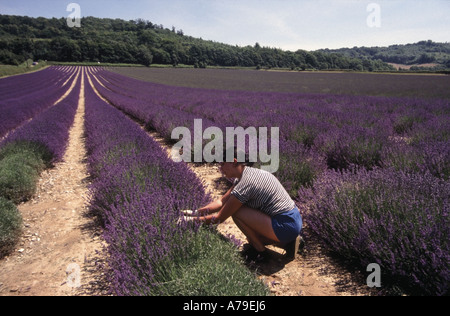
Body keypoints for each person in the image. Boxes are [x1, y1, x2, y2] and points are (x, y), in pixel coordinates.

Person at [182, 148, 303, 262]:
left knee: (237, 211)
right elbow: (221, 202)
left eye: (223, 164)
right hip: (293, 219)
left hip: (284, 224)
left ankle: (260, 252)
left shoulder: (246, 183)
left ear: (234, 162)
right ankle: (289, 243)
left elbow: (220, 218)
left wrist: (190, 221)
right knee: (251, 238)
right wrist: (196, 213)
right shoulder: (247, 175)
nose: (220, 168)